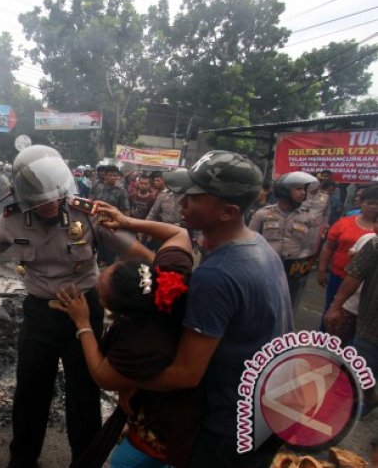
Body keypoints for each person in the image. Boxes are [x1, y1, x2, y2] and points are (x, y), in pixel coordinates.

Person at [0, 145, 153, 468]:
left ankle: (85, 461)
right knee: (30, 391)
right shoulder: (12, 219)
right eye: (42, 202)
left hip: (84, 311)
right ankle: (23, 459)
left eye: (57, 197)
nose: (52, 205)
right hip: (40, 314)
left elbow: (133, 250)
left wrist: (172, 275)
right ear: (23, 198)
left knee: (83, 394)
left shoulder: (87, 212)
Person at [119, 150, 292, 467]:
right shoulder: (256, 244)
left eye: (194, 196)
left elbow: (186, 374)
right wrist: (126, 221)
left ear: (228, 211)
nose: (183, 201)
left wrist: (129, 381)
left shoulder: (216, 275)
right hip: (265, 413)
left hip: (228, 425)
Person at [51, 202, 203, 467]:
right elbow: (178, 234)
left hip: (169, 421)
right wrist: (127, 222)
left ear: (121, 311)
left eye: (99, 292)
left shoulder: (136, 340)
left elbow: (102, 375)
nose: (96, 286)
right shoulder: (167, 276)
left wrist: (82, 322)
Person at [324, 230, 378, 418]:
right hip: (371, 326)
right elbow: (355, 274)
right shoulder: (374, 244)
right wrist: (336, 305)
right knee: (359, 371)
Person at [249, 171, 321, 313]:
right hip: (264, 269)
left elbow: (310, 245)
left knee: (287, 308)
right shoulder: (262, 214)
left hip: (293, 272)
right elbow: (250, 241)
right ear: (284, 190)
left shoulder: (309, 217)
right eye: (298, 189)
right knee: (259, 306)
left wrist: (300, 263)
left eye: (305, 189)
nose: (303, 193)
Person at [317, 185, 378, 329]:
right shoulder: (344, 223)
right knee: (331, 313)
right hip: (339, 277)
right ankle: (322, 346)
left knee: (356, 320)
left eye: (377, 204)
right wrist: (322, 269)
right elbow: (329, 247)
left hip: (367, 286)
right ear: (361, 203)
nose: (373, 207)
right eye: (369, 203)